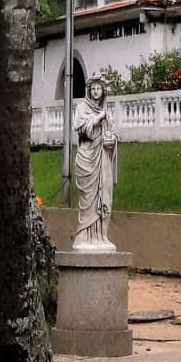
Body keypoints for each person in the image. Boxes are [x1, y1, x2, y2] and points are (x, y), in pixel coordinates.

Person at [71, 76, 119, 251]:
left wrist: (112, 141)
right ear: (89, 91)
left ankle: (101, 236)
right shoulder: (82, 108)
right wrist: (98, 118)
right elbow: (81, 129)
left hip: (102, 158)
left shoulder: (106, 111)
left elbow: (110, 134)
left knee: (104, 194)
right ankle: (83, 237)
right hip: (87, 158)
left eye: (98, 88)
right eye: (93, 89)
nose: (96, 91)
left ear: (103, 91)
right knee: (87, 201)